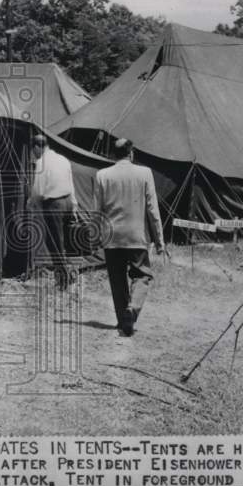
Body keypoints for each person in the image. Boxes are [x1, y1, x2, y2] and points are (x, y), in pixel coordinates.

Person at [93, 138, 165, 336]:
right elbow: (152, 209)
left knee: (117, 280)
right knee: (142, 275)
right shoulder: (144, 173)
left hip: (112, 236)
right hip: (136, 236)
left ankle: (122, 320)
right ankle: (132, 310)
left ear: (112, 155)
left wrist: (95, 237)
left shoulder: (102, 175)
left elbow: (96, 211)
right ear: (131, 153)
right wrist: (159, 240)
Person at [29, 134, 76, 288]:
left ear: (37, 147)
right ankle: (69, 273)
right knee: (64, 242)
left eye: (33, 150)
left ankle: (63, 280)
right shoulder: (63, 159)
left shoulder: (41, 162)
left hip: (54, 204)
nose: (34, 154)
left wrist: (31, 204)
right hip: (68, 201)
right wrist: (74, 205)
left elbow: (38, 190)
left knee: (54, 242)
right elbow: (71, 183)